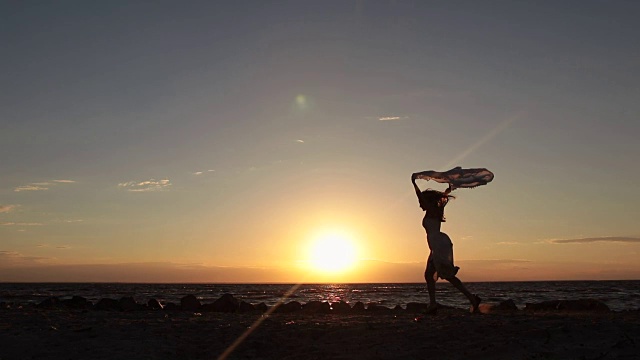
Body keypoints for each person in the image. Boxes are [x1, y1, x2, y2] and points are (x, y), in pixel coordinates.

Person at [412, 173, 481, 314]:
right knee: (431, 275)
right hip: (438, 244)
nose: (420, 205)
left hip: (438, 244)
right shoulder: (435, 209)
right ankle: (435, 304)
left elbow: (421, 197)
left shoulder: (431, 209)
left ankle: (470, 300)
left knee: (443, 275)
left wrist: (413, 182)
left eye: (421, 202)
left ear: (427, 201)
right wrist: (448, 190)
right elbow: (443, 196)